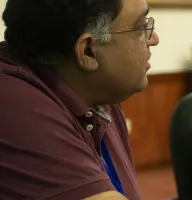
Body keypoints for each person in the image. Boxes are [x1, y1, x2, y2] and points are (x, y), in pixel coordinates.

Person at [0, 0, 159, 199]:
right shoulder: (13, 105)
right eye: (141, 27)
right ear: (88, 51)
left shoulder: (98, 88)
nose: (154, 38)